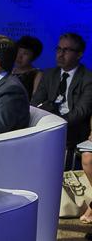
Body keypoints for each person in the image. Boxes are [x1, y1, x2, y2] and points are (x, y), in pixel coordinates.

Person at [32, 32, 92, 168]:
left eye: (66, 50)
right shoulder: (49, 74)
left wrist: (57, 125)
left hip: (72, 128)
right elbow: (35, 103)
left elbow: (81, 111)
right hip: (47, 124)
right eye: (58, 49)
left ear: (79, 54)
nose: (60, 54)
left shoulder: (88, 78)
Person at [12, 35, 43, 99]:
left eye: (25, 53)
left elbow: (35, 99)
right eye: (18, 52)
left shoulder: (37, 74)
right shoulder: (8, 71)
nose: (19, 57)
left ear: (34, 57)